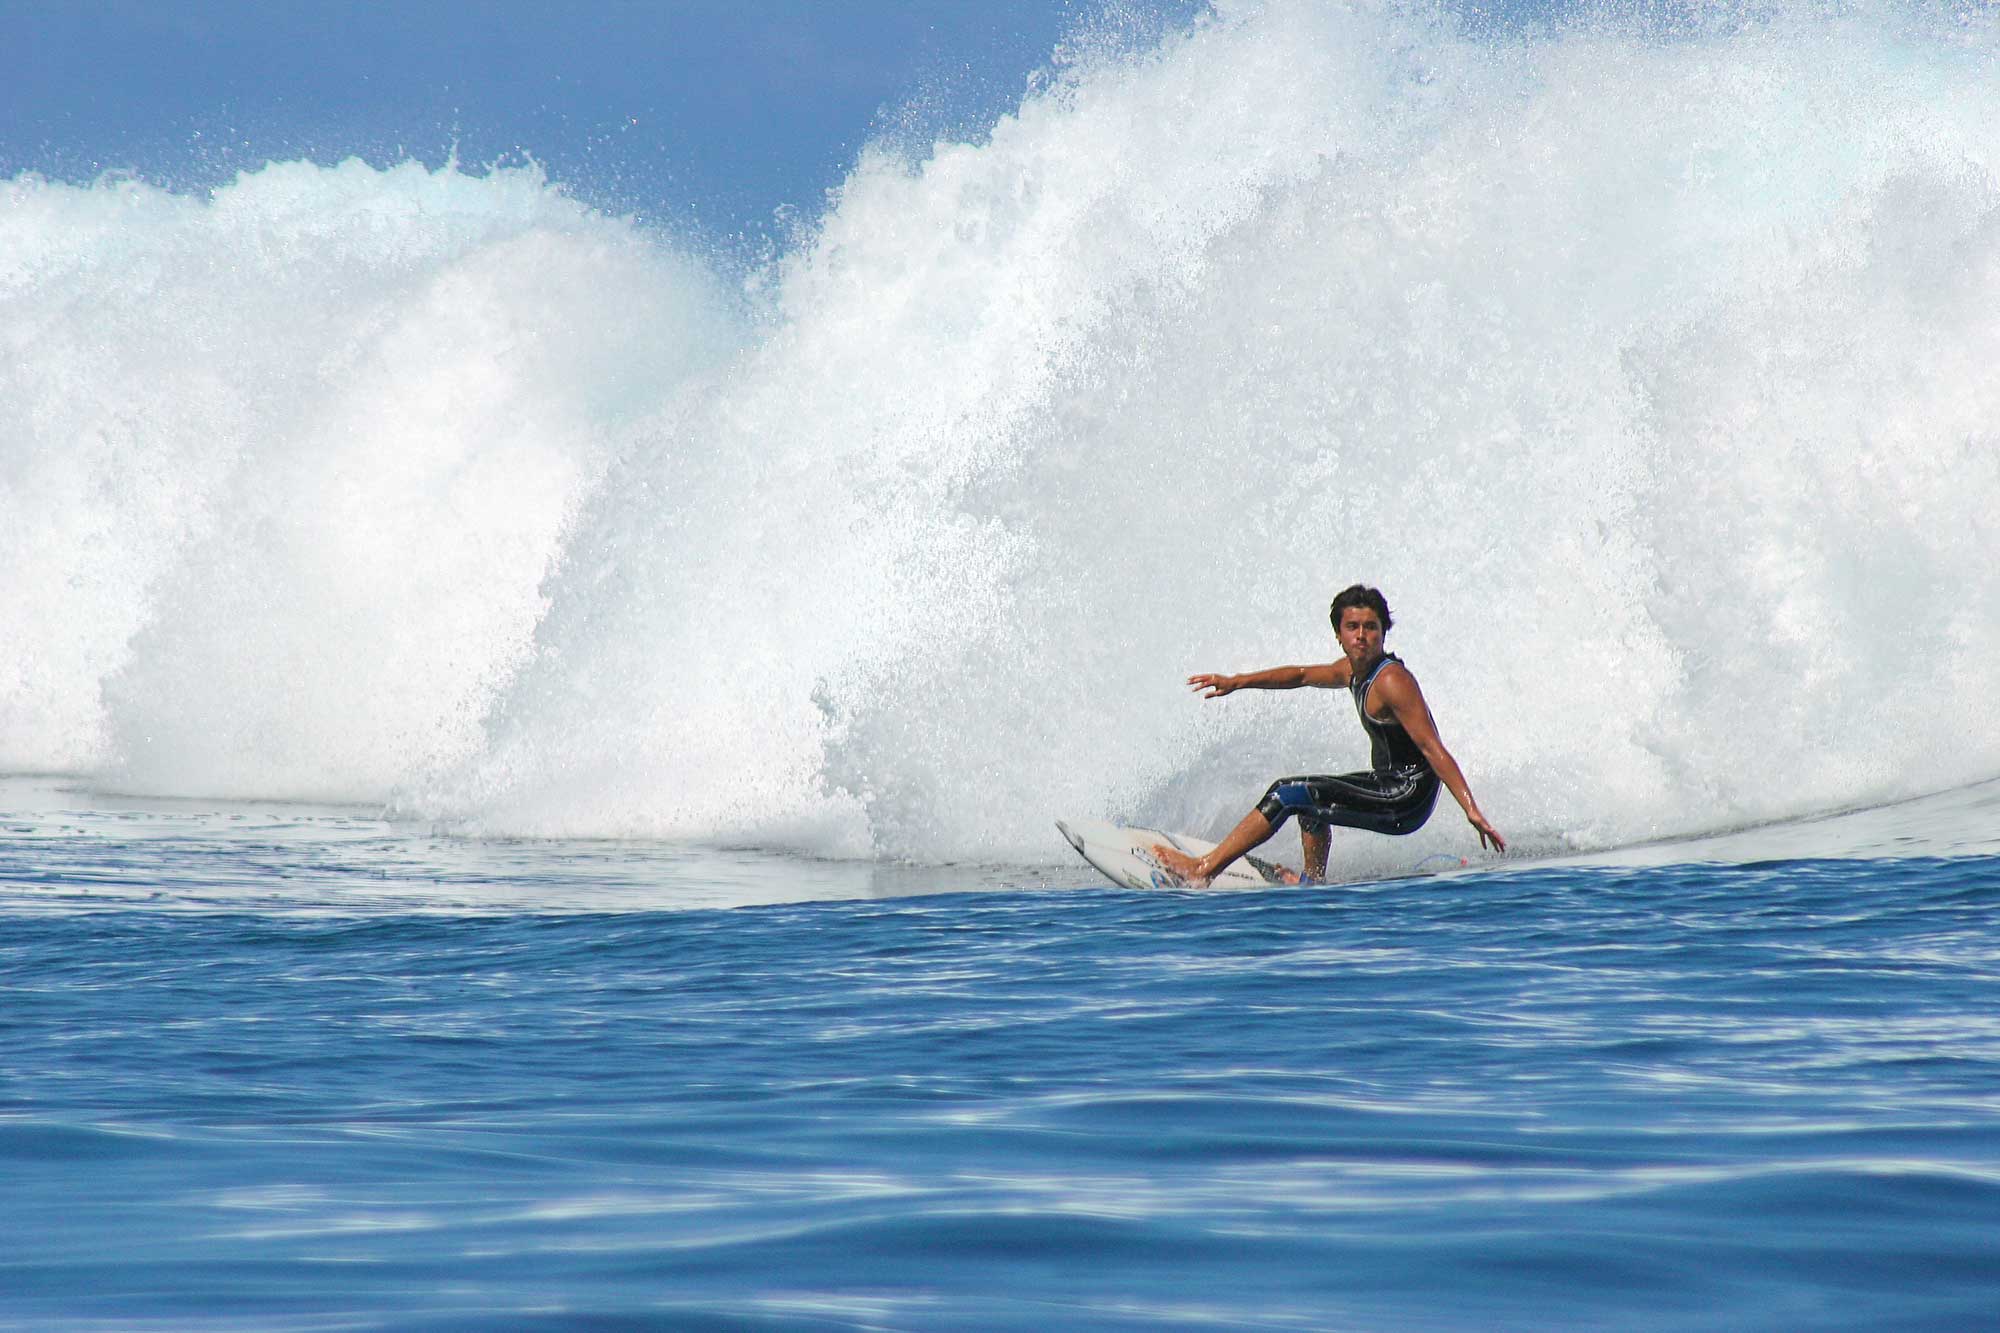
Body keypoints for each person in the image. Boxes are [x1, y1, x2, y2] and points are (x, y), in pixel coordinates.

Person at [1152, 584, 1504, 887]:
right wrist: (1237, 681)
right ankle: (1311, 883)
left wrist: (1471, 810)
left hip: (1407, 796)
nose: (1362, 635)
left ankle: (1203, 869)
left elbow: (1432, 748)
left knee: (1287, 793)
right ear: (1339, 634)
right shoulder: (1352, 669)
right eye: (1353, 627)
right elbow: (1301, 675)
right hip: (1389, 784)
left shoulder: (1392, 681)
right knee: (1310, 805)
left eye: (1371, 627)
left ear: (1384, 633)